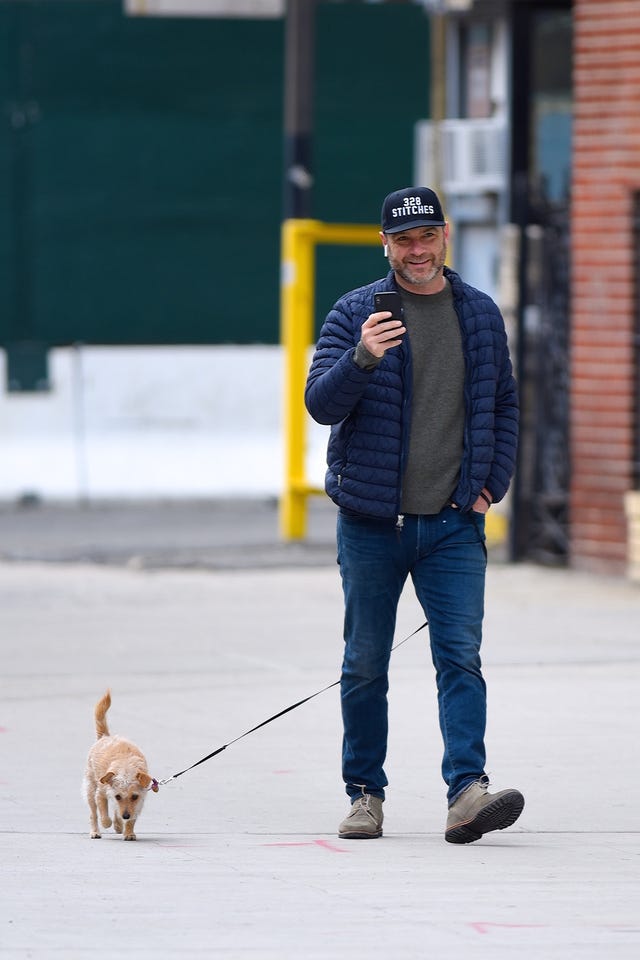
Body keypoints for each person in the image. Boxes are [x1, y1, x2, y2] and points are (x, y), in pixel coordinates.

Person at [304, 186, 524, 843]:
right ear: (385, 245)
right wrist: (362, 357)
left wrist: (490, 487)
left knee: (460, 657)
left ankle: (467, 793)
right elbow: (321, 404)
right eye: (404, 240)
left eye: (426, 236)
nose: (417, 250)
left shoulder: (479, 315)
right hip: (372, 523)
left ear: (446, 235)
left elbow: (505, 403)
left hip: (454, 523)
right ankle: (365, 795)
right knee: (365, 663)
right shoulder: (353, 314)